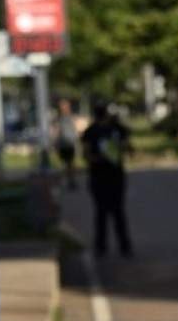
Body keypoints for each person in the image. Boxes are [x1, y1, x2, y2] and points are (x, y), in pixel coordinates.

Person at [81, 103, 134, 258]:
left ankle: (107, 246)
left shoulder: (94, 131)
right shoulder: (108, 130)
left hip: (104, 176)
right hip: (108, 175)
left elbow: (86, 154)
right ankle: (119, 246)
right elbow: (129, 148)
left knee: (105, 212)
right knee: (112, 212)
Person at [54, 98, 79, 190]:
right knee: (64, 164)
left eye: (65, 105)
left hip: (70, 143)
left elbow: (76, 129)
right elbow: (57, 130)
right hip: (62, 143)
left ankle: (71, 181)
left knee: (70, 164)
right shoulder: (59, 118)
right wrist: (55, 142)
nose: (63, 108)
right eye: (61, 106)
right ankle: (65, 182)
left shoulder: (71, 117)